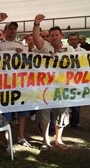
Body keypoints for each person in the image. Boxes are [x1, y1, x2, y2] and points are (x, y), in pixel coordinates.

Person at [0, 13, 32, 150]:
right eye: (10, 28)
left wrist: (22, 55)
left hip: (19, 83)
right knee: (7, 112)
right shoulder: (0, 44)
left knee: (22, 112)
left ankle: (21, 136)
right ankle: (8, 141)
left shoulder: (20, 45)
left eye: (15, 28)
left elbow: (27, 63)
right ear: (5, 30)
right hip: (4, 84)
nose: (13, 30)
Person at [32, 14, 75, 150]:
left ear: (61, 36)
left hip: (63, 87)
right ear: (49, 37)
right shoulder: (45, 47)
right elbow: (36, 39)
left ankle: (58, 139)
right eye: (52, 35)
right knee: (44, 114)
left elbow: (74, 66)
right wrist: (36, 24)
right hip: (45, 87)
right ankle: (45, 140)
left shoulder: (69, 49)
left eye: (57, 35)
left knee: (62, 113)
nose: (54, 37)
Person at [67, 34, 86, 128]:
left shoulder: (84, 52)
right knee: (65, 101)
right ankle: (63, 122)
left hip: (78, 79)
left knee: (77, 102)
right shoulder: (63, 51)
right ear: (68, 41)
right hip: (65, 80)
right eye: (71, 39)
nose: (73, 41)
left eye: (75, 39)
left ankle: (75, 122)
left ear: (78, 41)